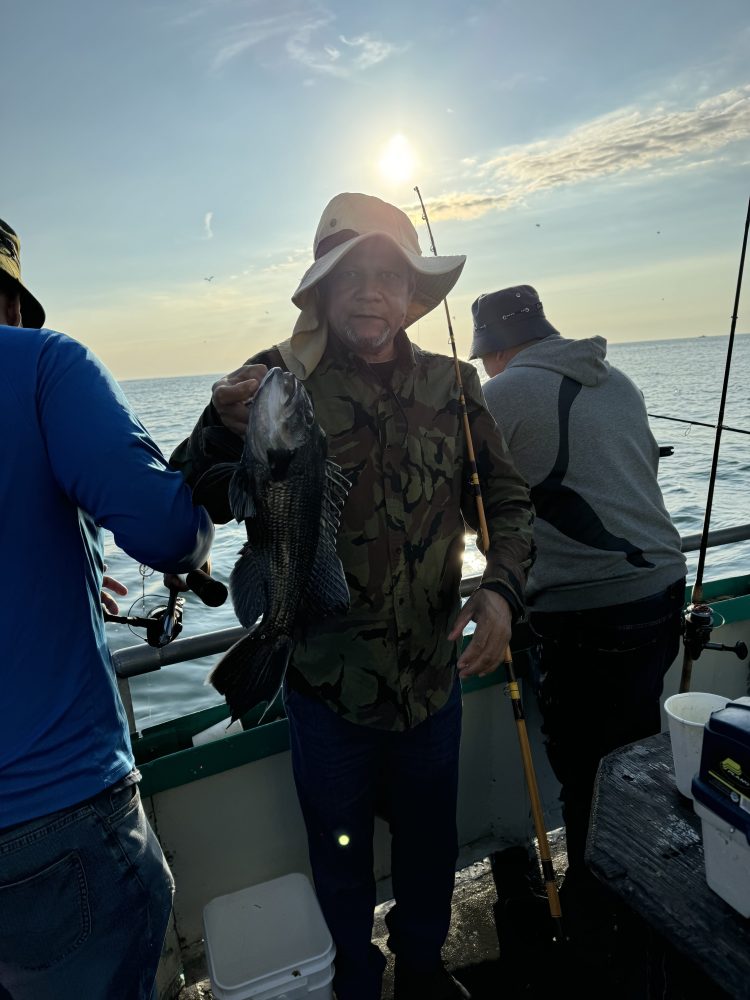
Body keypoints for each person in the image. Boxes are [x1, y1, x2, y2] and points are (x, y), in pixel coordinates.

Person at [170, 192, 535, 1000]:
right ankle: (354, 983)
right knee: (337, 859)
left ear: (412, 295)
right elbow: (183, 489)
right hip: (326, 694)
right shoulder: (274, 381)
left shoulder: (457, 385)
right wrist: (219, 428)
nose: (371, 291)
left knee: (430, 849)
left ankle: (427, 971)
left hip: (433, 685)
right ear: (321, 292)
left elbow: (506, 506)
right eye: (350, 275)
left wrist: (502, 593)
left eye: (388, 274)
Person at [0, 217, 214, 1000]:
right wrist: (198, 509)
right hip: (50, 820)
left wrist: (72, 563)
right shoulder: (42, 366)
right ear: (16, 304)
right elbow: (167, 531)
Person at [470, 284, 687, 918]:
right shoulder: (618, 380)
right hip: (663, 591)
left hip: (585, 612)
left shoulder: (500, 394)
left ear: (495, 351)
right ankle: (642, 879)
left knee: (583, 766)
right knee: (632, 749)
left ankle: (601, 901)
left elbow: (472, 501)